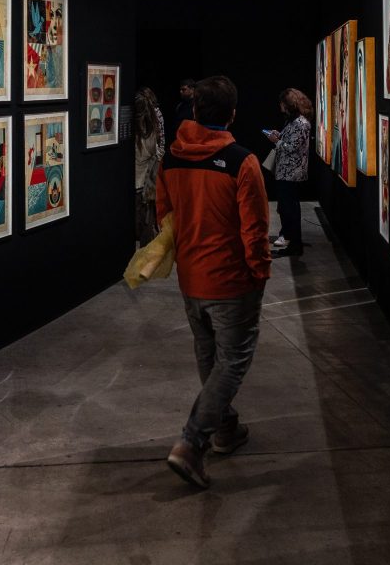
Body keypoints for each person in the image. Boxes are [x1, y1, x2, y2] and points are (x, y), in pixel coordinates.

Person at [156, 75, 271, 488]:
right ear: (232, 114)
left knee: (209, 356)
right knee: (233, 361)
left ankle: (225, 428)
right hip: (232, 282)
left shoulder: (170, 160)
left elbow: (164, 219)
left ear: (195, 111)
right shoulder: (242, 162)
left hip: (191, 280)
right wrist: (259, 273)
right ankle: (191, 442)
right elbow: (255, 230)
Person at [263, 88, 312, 258]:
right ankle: (292, 242)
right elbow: (289, 142)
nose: (280, 107)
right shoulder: (293, 122)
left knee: (290, 209)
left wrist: (276, 141)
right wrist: (279, 136)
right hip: (285, 171)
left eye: (282, 104)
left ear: (288, 104)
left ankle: (294, 244)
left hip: (291, 173)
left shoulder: (300, 123)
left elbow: (292, 148)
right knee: (286, 208)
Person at [133, 87, 163, 245]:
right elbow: (157, 151)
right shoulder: (152, 128)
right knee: (147, 224)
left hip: (141, 182)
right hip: (148, 182)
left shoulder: (139, 131)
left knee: (144, 225)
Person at [169, 78, 195, 143]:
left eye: (184, 89)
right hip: (180, 140)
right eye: (180, 90)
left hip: (192, 140)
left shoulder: (198, 105)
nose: (181, 92)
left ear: (192, 90)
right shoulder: (180, 106)